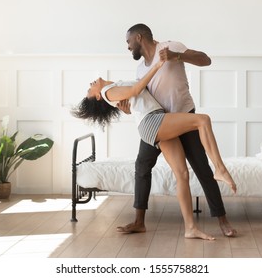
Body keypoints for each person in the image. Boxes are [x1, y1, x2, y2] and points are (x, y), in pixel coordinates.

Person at [72, 58, 236, 240]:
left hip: (157, 120)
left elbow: (136, 97)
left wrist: (129, 107)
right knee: (202, 120)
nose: (90, 84)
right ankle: (220, 169)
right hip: (153, 122)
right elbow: (136, 89)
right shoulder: (107, 91)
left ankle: (190, 228)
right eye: (89, 90)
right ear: (97, 96)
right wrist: (157, 66)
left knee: (182, 174)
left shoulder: (114, 88)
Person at [117, 23, 237, 237]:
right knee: (141, 167)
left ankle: (223, 220)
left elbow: (205, 60)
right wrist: (127, 109)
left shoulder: (171, 46)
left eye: (128, 42)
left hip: (184, 117)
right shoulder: (140, 69)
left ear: (139, 37)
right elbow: (142, 100)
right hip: (159, 124)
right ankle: (139, 221)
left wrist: (176, 56)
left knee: (202, 169)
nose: (127, 47)